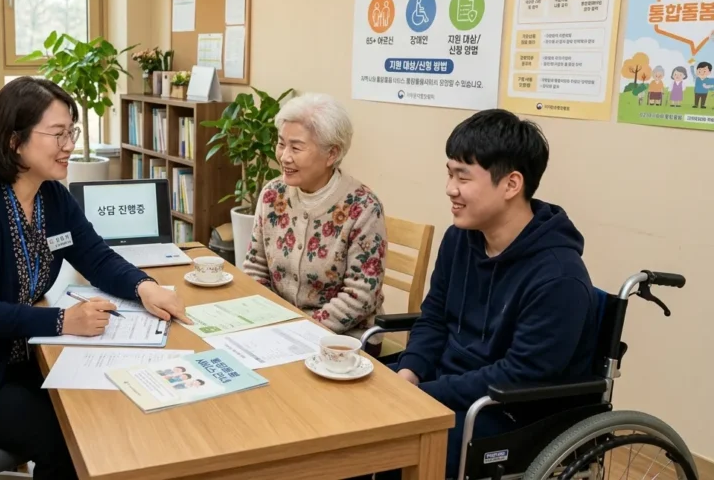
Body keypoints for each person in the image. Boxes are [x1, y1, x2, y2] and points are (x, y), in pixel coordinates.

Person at [0, 77, 191, 479]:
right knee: (73, 441)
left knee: (108, 407)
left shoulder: (51, 196)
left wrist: (145, 287)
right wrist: (61, 322)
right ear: (14, 140)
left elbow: (96, 256)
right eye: (58, 134)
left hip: (23, 356)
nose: (69, 144)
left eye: (71, 131)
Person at [390, 109, 598, 479]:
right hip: (445, 386)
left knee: (383, 448)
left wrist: (426, 395)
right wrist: (410, 372)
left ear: (511, 184)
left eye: (463, 176)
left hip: (504, 411)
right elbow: (435, 315)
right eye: (449, 173)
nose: (450, 188)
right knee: (348, 411)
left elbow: (520, 375)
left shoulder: (559, 277)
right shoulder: (460, 238)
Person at [241, 93, 388, 355]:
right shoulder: (273, 194)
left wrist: (300, 330)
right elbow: (255, 267)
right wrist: (268, 320)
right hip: (278, 329)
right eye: (281, 144)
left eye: (296, 148)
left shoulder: (362, 207)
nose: (284, 157)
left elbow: (361, 295)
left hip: (344, 339)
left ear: (332, 153)